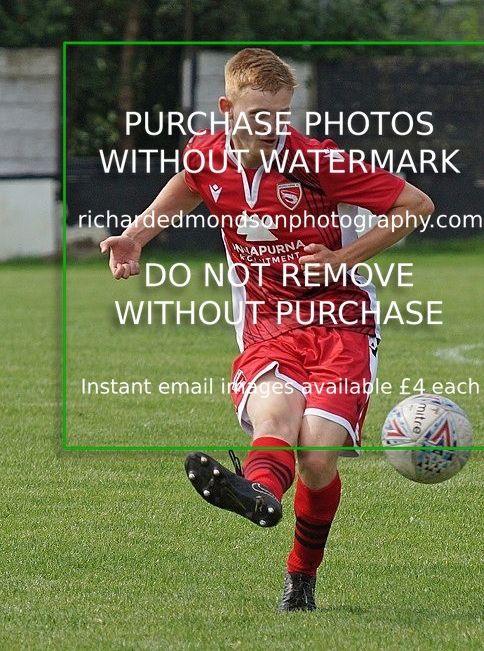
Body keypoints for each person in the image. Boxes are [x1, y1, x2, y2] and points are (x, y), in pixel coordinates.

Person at [100, 48, 434, 612]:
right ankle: (256, 493)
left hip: (340, 321)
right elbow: (188, 182)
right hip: (268, 323)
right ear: (227, 108)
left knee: (318, 459)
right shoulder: (207, 154)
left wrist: (343, 258)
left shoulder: (317, 160)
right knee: (275, 417)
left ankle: (300, 577)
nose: (269, 127)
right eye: (257, 114)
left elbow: (416, 205)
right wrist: (137, 236)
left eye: (279, 115)